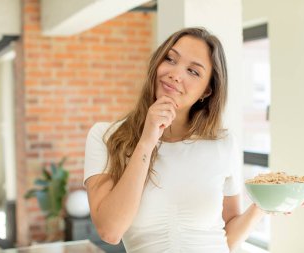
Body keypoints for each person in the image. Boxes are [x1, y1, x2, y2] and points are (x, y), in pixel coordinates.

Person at [84, 27, 265, 253]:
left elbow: (228, 238)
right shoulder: (106, 136)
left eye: (193, 71)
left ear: (207, 91)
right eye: (170, 59)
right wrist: (147, 141)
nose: (176, 74)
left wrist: (265, 206)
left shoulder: (223, 143)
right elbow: (110, 231)